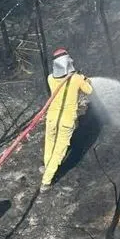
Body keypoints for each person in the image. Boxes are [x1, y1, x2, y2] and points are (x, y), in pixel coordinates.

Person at [43, 47, 93, 188]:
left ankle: (47, 169)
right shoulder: (77, 79)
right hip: (66, 121)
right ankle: (46, 181)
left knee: (49, 146)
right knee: (59, 151)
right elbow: (89, 90)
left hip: (52, 119)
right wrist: (84, 79)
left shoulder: (50, 78)